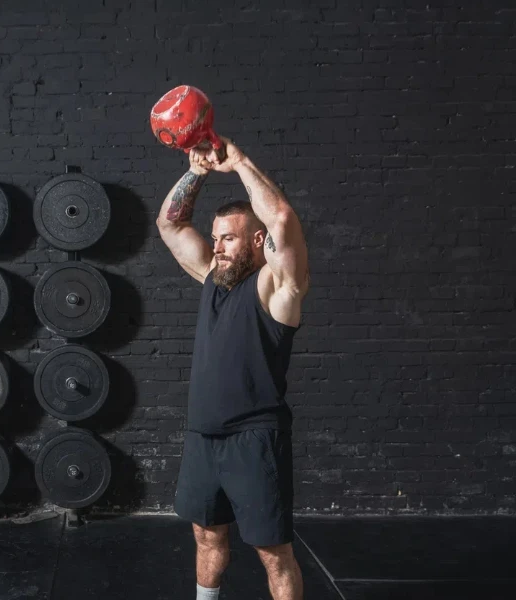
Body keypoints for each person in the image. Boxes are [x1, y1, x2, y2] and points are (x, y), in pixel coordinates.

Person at [156, 138, 310, 600]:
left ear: (256, 241)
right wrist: (198, 171)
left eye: (229, 237)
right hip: (203, 437)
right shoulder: (211, 279)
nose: (217, 246)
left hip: (255, 440)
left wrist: (238, 162)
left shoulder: (276, 287)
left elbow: (281, 219)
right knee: (207, 537)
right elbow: (170, 224)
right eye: (216, 236)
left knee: (272, 552)